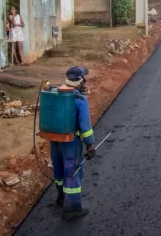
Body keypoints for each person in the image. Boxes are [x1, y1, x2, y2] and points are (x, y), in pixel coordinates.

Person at [51, 66, 96, 219]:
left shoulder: (56, 93)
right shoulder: (79, 99)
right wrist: (90, 144)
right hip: (70, 142)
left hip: (54, 138)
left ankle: (60, 197)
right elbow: (85, 126)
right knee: (72, 171)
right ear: (81, 80)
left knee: (58, 167)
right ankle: (73, 207)